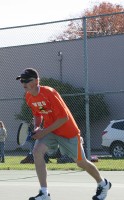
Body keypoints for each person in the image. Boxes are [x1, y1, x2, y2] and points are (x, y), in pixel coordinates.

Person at [16, 68, 111, 200]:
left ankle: (103, 183)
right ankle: (44, 193)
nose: (23, 83)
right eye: (22, 80)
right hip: (51, 130)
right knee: (37, 151)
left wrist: (43, 131)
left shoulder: (49, 93)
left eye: (27, 80)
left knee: (81, 162)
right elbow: (39, 113)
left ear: (37, 81)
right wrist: (38, 127)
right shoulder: (29, 97)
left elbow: (63, 118)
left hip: (68, 133)